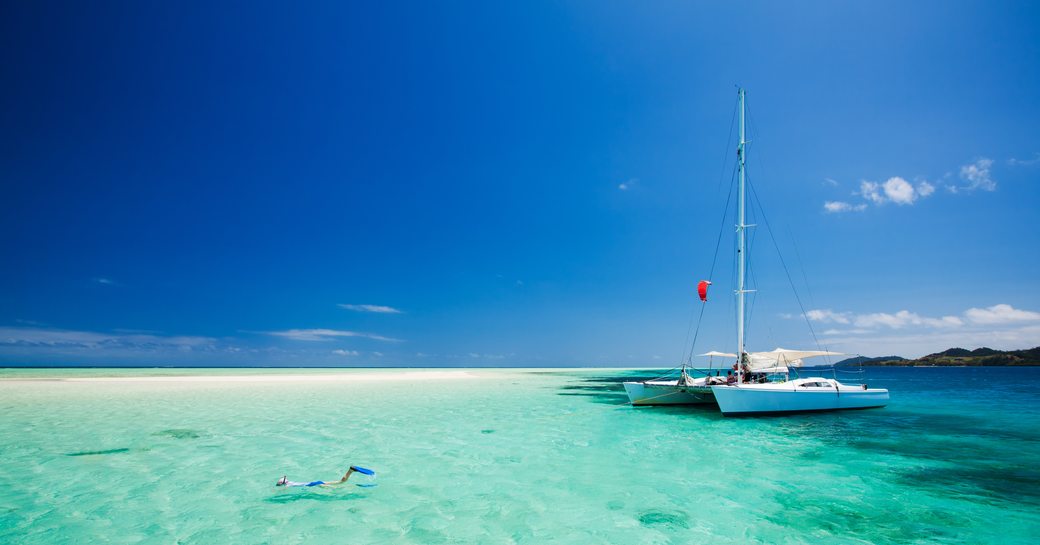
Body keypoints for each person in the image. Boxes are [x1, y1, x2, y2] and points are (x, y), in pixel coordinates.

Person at [277, 467, 354, 488]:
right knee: (339, 482)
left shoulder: (288, 485)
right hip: (315, 482)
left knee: (337, 488)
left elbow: (283, 489)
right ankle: (350, 471)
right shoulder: (290, 482)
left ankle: (352, 486)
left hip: (314, 484)